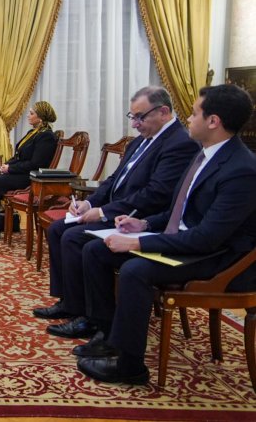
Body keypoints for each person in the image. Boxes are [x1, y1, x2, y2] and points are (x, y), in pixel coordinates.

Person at [76, 84, 256, 386]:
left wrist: (137, 242)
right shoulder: (206, 154)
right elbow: (180, 212)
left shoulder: (242, 170)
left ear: (213, 121)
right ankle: (107, 333)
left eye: (194, 113)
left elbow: (206, 238)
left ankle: (130, 365)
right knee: (96, 249)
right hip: (192, 244)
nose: (188, 118)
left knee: (135, 270)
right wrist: (144, 224)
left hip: (220, 259)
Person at [36, 87, 199, 339]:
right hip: (118, 211)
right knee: (58, 229)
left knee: (74, 237)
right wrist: (89, 203)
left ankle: (92, 318)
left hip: (140, 218)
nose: (134, 124)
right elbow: (113, 179)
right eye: (132, 117)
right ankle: (71, 302)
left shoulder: (179, 143)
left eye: (140, 117)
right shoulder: (141, 140)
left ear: (164, 112)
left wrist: (103, 212)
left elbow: (155, 194)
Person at [0, 102, 59, 240]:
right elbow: (19, 156)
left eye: (32, 113)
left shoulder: (46, 137)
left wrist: (11, 169)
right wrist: (6, 165)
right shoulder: (33, 133)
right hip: (21, 172)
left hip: (30, 177)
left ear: (40, 118)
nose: (28, 116)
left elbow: (36, 164)